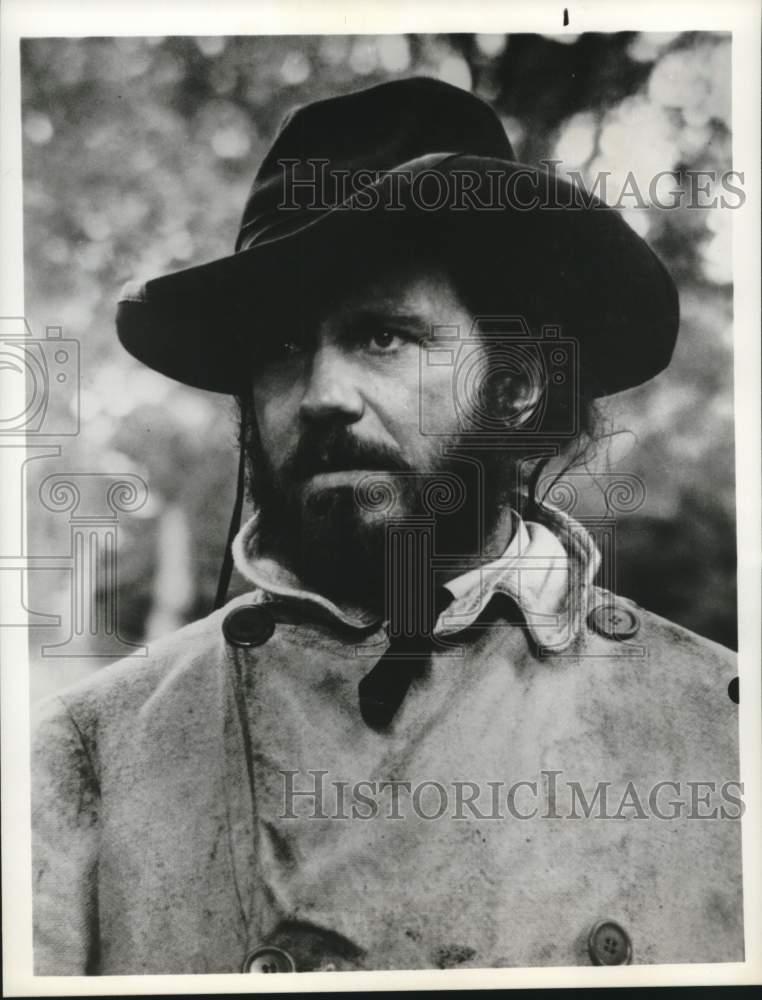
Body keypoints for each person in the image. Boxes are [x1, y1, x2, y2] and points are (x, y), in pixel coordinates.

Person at [32, 77, 743, 975]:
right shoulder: (93, 752)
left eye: (384, 337)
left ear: (517, 388)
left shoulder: (720, 729)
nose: (324, 394)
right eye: (285, 347)